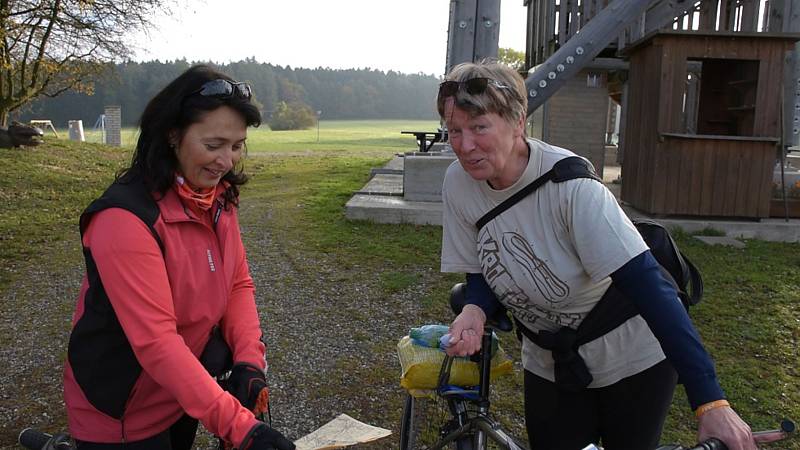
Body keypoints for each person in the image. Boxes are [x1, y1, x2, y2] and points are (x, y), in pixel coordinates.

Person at [438, 61, 783, 450]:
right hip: (550, 359)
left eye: (479, 127)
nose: (465, 146)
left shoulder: (570, 187)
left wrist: (710, 401)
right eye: (455, 131)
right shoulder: (459, 183)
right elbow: (482, 267)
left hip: (632, 356)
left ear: (518, 122)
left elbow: (652, 289)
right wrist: (476, 308)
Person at [63, 65, 295, 450]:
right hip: (122, 411)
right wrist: (242, 428)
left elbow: (237, 282)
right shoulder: (124, 219)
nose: (226, 161)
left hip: (182, 392)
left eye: (236, 146)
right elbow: (156, 343)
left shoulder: (218, 198)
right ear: (172, 134)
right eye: (213, 144)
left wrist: (249, 360)